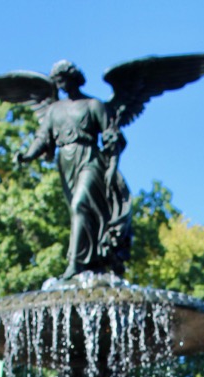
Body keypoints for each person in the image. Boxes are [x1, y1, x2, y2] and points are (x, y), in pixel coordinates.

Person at [18, 60, 132, 278]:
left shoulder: (93, 105)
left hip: (90, 159)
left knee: (80, 204)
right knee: (78, 211)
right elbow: (42, 138)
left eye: (62, 80)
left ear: (73, 77)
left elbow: (113, 136)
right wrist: (27, 154)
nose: (59, 85)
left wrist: (112, 166)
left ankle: (75, 263)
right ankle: (93, 259)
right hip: (66, 162)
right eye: (57, 81)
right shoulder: (54, 110)